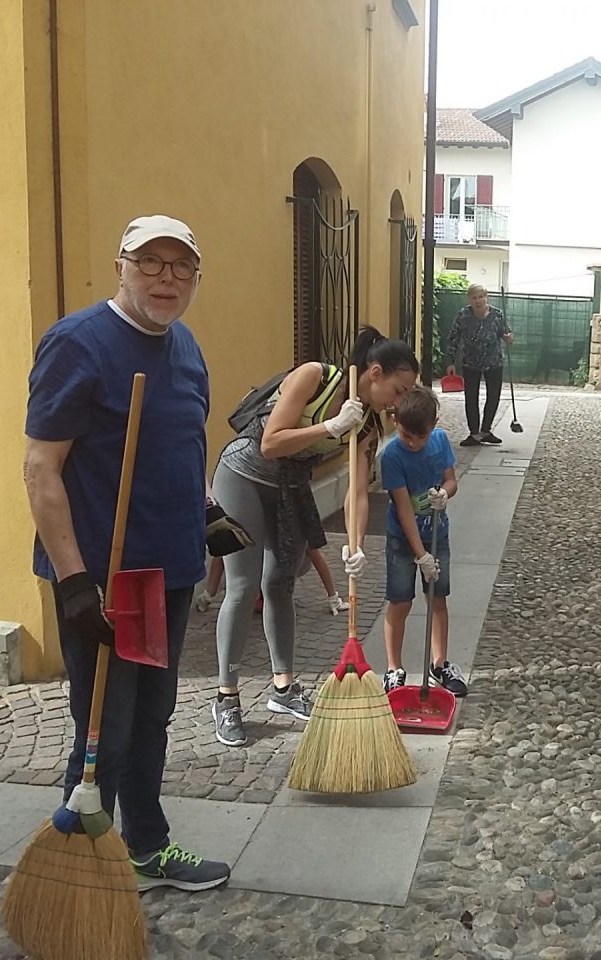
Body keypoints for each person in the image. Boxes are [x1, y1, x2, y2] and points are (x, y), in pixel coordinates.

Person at [24, 214, 241, 890]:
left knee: (153, 717)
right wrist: (73, 581)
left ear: (196, 278)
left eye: (180, 266)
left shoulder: (184, 347)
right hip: (107, 578)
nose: (165, 278)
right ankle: (79, 873)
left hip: (168, 570)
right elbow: (40, 468)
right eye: (150, 263)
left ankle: (148, 845)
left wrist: (206, 513)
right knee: (103, 731)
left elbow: (183, 443)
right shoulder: (78, 344)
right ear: (121, 264)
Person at [210, 327, 419, 747]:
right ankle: (226, 696)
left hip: (289, 489)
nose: (398, 403)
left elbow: (358, 491)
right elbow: (270, 442)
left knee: (280, 583)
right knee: (242, 585)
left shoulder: (368, 428)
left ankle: (283, 689)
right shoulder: (314, 377)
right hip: (240, 476)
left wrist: (355, 544)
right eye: (398, 390)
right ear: (374, 374)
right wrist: (329, 426)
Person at [379, 386, 467, 696]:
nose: (414, 443)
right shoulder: (391, 455)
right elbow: (404, 510)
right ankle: (393, 668)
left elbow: (451, 480)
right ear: (395, 421)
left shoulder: (440, 441)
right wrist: (421, 556)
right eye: (406, 435)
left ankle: (440, 663)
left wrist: (445, 494)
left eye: (421, 436)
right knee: (401, 601)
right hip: (403, 540)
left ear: (434, 424)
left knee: (437, 598)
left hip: (437, 533)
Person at [445, 284, 513, 446]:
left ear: (486, 297)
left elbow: (506, 334)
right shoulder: (463, 315)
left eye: (480, 297)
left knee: (493, 396)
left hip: (494, 362)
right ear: (469, 299)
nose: (478, 301)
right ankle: (474, 434)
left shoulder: (497, 315)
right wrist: (450, 362)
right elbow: (453, 338)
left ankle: (486, 431)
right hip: (470, 362)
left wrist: (509, 338)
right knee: (471, 397)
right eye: (474, 297)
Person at [195, 546, 347, 615]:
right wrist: (208, 594)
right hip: (261, 569)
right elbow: (222, 552)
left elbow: (314, 553)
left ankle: (269, 591)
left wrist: (333, 597)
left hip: (281, 565)